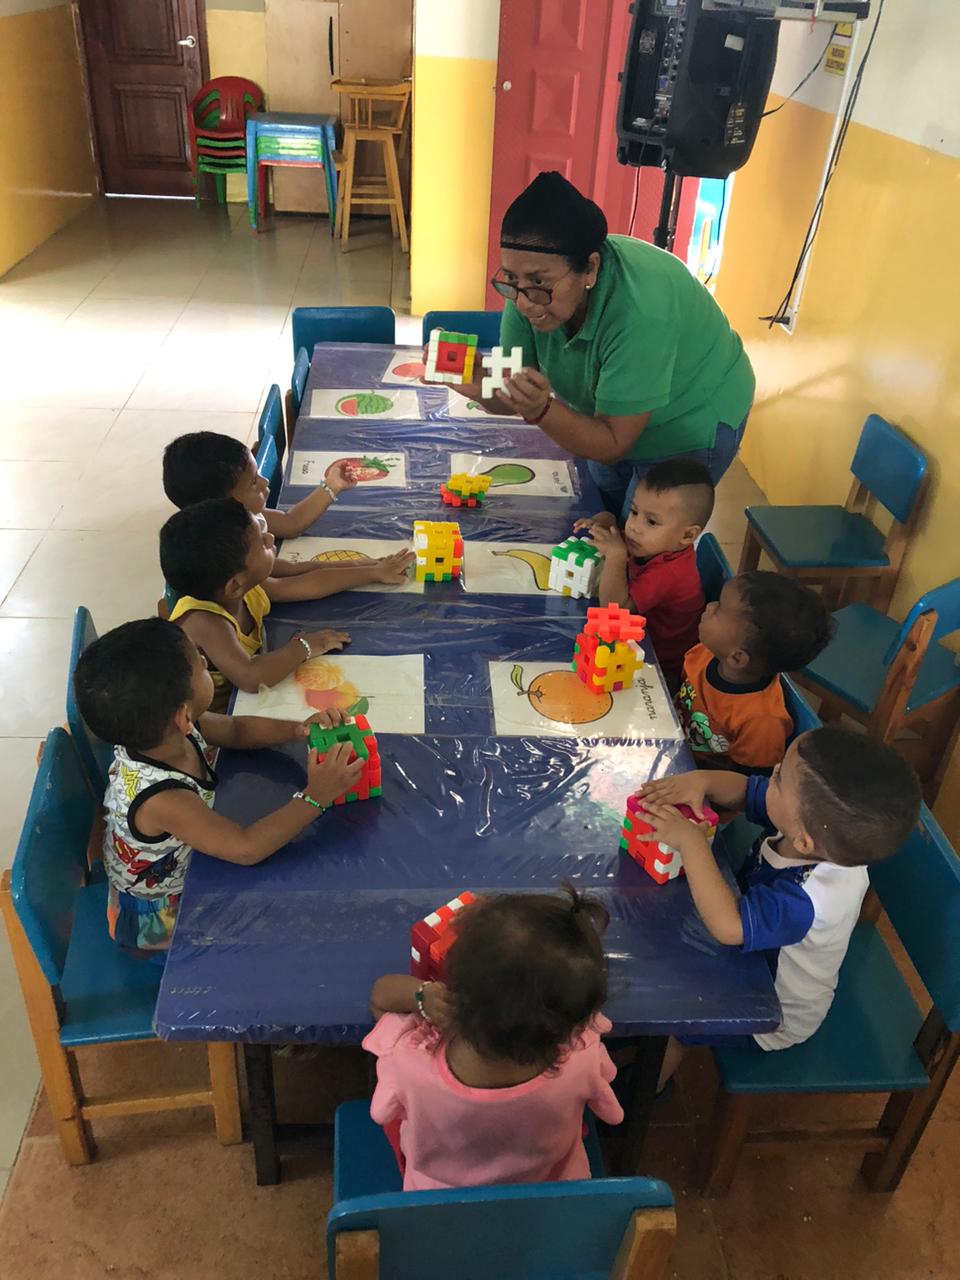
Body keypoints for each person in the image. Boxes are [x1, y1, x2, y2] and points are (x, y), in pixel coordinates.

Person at [450, 171, 755, 522]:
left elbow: (612, 444)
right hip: (606, 416)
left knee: (642, 544)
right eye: (510, 279)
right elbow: (512, 388)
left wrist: (542, 410)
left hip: (689, 419)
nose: (523, 302)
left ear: (590, 269)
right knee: (599, 522)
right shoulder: (527, 291)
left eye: (538, 282)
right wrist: (480, 386)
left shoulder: (642, 310)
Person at [637, 727, 921, 1084]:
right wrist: (702, 781)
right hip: (750, 954)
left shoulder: (810, 898)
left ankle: (645, 1095)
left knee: (676, 1016)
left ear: (803, 841)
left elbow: (728, 926)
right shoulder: (819, 834)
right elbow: (746, 790)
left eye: (780, 777)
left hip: (771, 1012)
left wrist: (691, 842)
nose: (771, 771)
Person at [73, 618, 364, 957]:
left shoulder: (166, 731)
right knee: (285, 931)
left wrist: (298, 730)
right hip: (158, 919)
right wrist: (316, 797)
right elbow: (246, 848)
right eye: (199, 665)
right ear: (183, 716)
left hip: (191, 864)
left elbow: (236, 730)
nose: (204, 659)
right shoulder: (164, 799)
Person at [363, 887, 624, 1190]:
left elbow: (379, 998)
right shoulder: (584, 1055)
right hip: (548, 1186)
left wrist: (421, 995)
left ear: (455, 989)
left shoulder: (411, 1063)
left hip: (439, 1197)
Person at [162, 431, 413, 602]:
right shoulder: (227, 559)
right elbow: (292, 586)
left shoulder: (237, 518)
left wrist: (332, 485)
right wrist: (373, 573)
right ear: (223, 502)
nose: (265, 482)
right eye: (253, 482)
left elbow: (292, 524)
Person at [160, 497, 350, 712]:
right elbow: (251, 676)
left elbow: (309, 583)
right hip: (211, 717)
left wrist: (372, 570)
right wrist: (303, 647)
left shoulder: (242, 586)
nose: (271, 538)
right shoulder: (204, 621)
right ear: (234, 585)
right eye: (261, 544)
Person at [574, 458, 713, 692]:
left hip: (660, 667)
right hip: (640, 642)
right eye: (634, 512)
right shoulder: (654, 543)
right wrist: (607, 521)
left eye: (651, 521)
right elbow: (621, 538)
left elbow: (615, 611)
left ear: (687, 536)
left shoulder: (671, 572)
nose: (634, 527)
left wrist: (616, 555)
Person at [678, 572, 833, 774]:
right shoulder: (708, 653)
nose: (710, 606)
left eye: (719, 610)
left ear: (737, 658)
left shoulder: (762, 723)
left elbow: (750, 783)